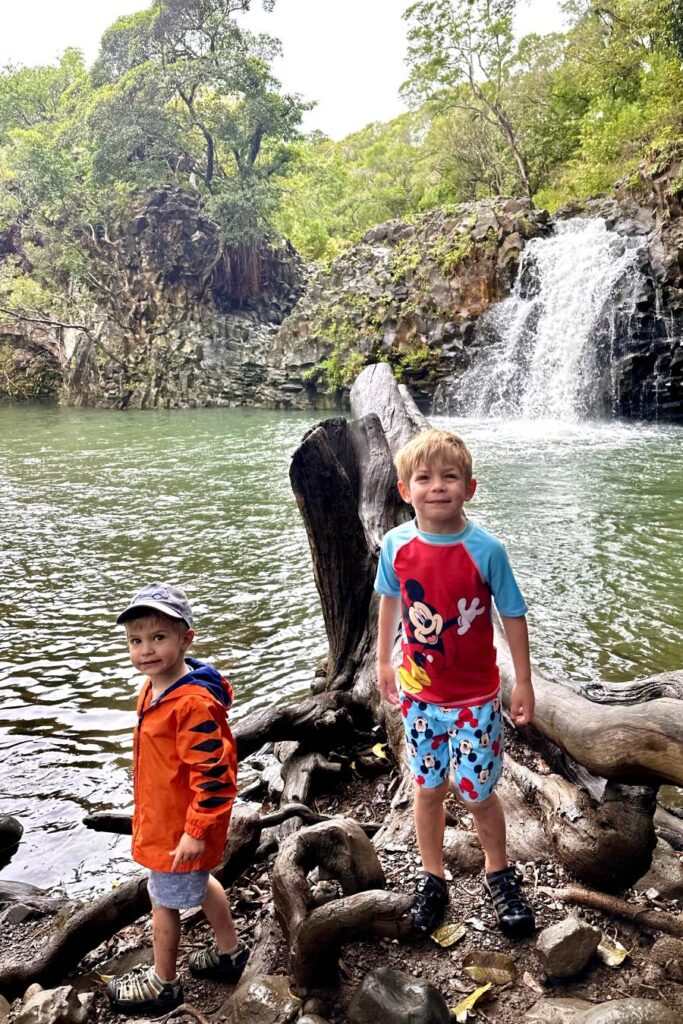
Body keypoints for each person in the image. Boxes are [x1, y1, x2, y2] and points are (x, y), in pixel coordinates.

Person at [375, 428, 535, 940]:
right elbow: (389, 603)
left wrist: (524, 682)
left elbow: (512, 614)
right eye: (424, 478)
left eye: (450, 477)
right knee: (428, 789)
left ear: (470, 487)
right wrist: (383, 661)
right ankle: (432, 876)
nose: (437, 487)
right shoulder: (396, 545)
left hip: (476, 701)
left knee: (480, 793)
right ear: (405, 489)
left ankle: (498, 870)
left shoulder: (486, 549)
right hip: (420, 698)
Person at [107, 583, 249, 1015]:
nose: (146, 650)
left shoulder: (191, 705)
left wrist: (194, 832)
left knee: (163, 902)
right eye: (136, 640)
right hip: (165, 819)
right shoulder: (153, 689)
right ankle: (230, 952)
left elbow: (215, 778)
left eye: (158, 638)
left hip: (179, 831)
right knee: (203, 882)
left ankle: (164, 983)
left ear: (186, 638)